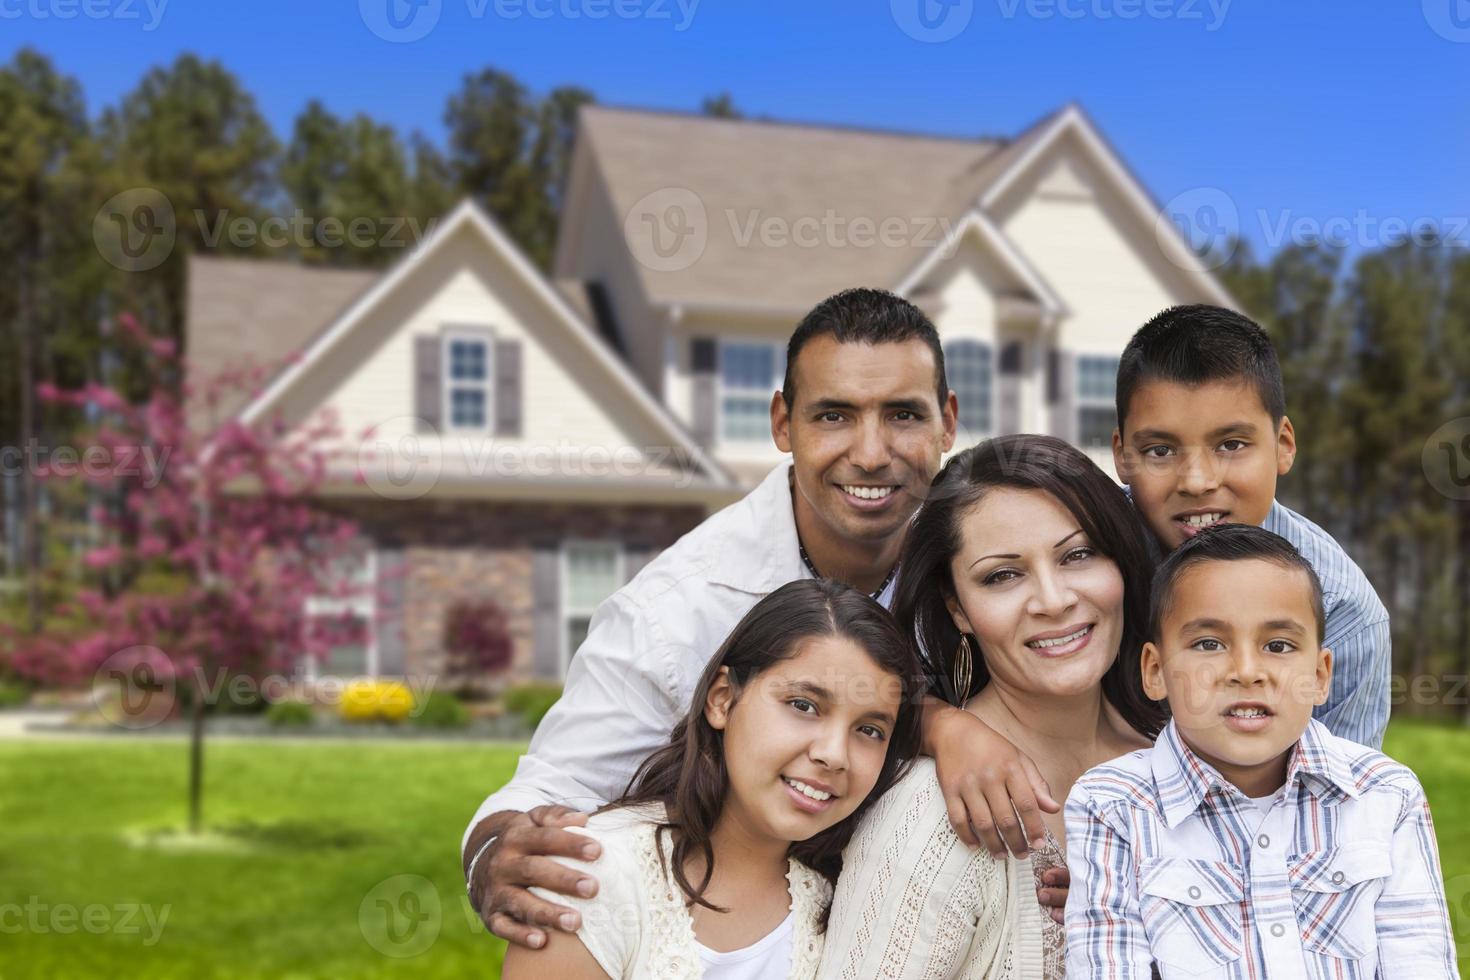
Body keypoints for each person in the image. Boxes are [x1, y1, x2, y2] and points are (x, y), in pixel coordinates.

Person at [465, 288, 1067, 952]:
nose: (870, 453)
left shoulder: (982, 552)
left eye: (903, 415)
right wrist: (497, 853)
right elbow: (554, 787)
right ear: (783, 423)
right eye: (834, 415)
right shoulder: (675, 609)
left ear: (947, 423)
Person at [817, 435, 1166, 979]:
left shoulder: (1185, 763)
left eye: (1078, 555)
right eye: (1003, 575)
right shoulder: (931, 815)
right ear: (958, 608)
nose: (1053, 600)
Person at [1064, 523, 1457, 979]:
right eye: (1209, 644)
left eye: (1278, 645)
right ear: (1154, 670)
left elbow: (1420, 963)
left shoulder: (1385, 795)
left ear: (1319, 674)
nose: (1247, 672)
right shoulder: (1112, 805)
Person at [499, 578, 925, 979]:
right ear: (723, 699)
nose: (834, 755)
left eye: (870, 730)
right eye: (803, 705)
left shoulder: (851, 896)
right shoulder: (594, 876)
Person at [1111, 304, 1390, 747]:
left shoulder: (1345, 613)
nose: (1198, 482)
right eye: (1160, 451)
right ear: (1123, 456)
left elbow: (1341, 799)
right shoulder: (1082, 555)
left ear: (1282, 445)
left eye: (1231, 444)